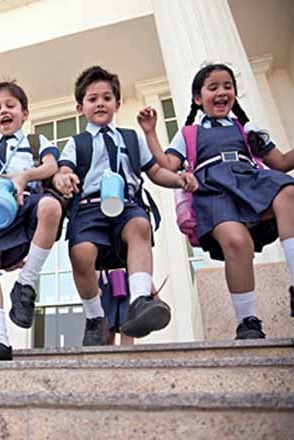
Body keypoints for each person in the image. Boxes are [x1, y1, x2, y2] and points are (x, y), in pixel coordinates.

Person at [138, 63, 294, 339]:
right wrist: (151, 132)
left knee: (289, 193)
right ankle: (247, 321)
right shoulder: (189, 133)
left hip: (249, 179)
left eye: (227, 86)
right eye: (213, 87)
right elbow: (168, 164)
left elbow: (280, 162)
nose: (222, 92)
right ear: (198, 98)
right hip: (213, 189)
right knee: (236, 241)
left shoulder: (246, 129)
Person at [52, 66, 197, 345]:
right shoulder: (76, 143)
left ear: (117, 104)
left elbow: (155, 171)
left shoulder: (131, 138)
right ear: (80, 108)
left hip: (126, 204)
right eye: (92, 99)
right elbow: (64, 168)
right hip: (90, 207)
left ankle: (140, 299)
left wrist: (178, 179)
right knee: (81, 254)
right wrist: (63, 177)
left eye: (107, 98)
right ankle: (95, 317)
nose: (100, 103)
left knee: (140, 225)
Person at [0, 80, 62, 361]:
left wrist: (25, 177)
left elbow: (51, 165)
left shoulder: (35, 141)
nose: (3, 111)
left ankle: (25, 283)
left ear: (24, 114)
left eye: (10, 105)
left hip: (26, 201)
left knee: (51, 207)